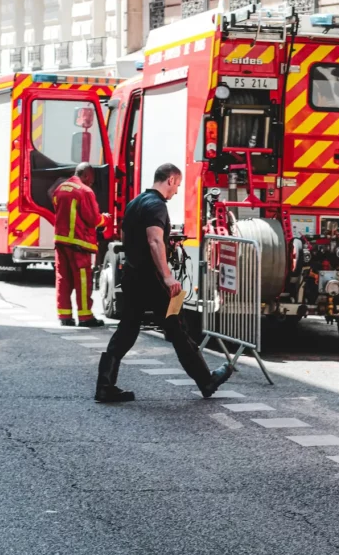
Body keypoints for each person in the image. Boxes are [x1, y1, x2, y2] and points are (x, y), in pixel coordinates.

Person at [95, 163, 233, 403]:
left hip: (132, 276)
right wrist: (168, 276)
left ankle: (104, 385)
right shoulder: (156, 205)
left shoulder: (135, 202)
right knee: (177, 329)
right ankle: (206, 381)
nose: (177, 191)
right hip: (152, 281)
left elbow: (127, 238)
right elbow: (154, 241)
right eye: (177, 185)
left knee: (127, 330)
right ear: (170, 180)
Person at [53, 161, 109, 327]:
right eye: (91, 178)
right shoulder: (85, 191)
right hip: (79, 244)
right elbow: (93, 219)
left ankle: (64, 316)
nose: (91, 182)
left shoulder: (60, 188)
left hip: (61, 242)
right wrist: (106, 219)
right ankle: (85, 317)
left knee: (63, 280)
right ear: (86, 175)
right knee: (82, 281)